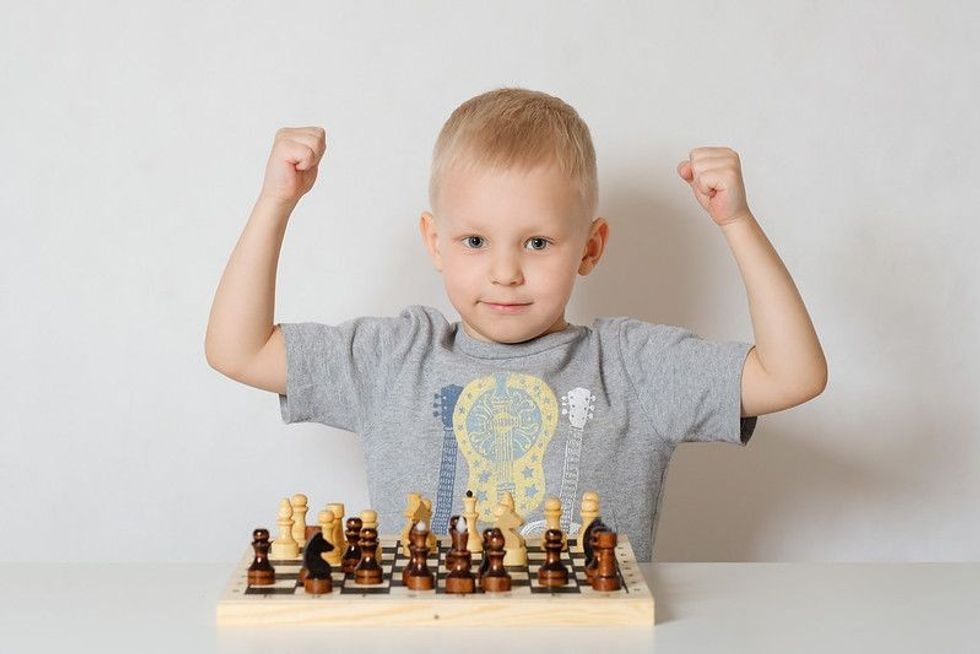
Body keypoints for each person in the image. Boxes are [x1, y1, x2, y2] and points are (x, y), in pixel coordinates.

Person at [205, 87, 827, 562]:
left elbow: (793, 375)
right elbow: (239, 350)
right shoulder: (396, 358)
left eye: (537, 242)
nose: (505, 272)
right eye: (475, 240)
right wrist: (275, 202)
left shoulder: (633, 366)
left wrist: (737, 223)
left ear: (590, 247)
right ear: (435, 242)